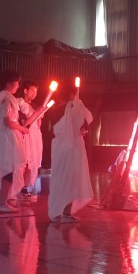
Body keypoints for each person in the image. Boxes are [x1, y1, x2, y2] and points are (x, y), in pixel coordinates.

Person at [48, 80, 94, 223]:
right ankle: (66, 213)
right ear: (71, 94)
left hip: (59, 147)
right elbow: (85, 121)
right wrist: (80, 131)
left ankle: (56, 212)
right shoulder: (76, 106)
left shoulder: (54, 109)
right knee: (71, 178)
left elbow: (56, 128)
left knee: (59, 178)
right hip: (73, 146)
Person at [0, 70, 30, 213]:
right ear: (9, 83)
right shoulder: (6, 98)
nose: (18, 85)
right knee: (9, 167)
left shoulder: (1, 97)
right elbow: (7, 121)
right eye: (17, 83)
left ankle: (0, 198)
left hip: (4, 135)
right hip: (7, 136)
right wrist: (22, 128)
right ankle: (2, 201)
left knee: (8, 167)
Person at [18, 80, 47, 202]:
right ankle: (19, 188)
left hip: (35, 136)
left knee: (33, 163)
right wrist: (37, 113)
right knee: (25, 163)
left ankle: (25, 188)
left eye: (36, 91)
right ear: (25, 90)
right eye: (32, 90)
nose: (34, 93)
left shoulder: (35, 106)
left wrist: (40, 115)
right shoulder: (20, 104)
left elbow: (38, 124)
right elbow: (24, 123)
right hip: (26, 136)